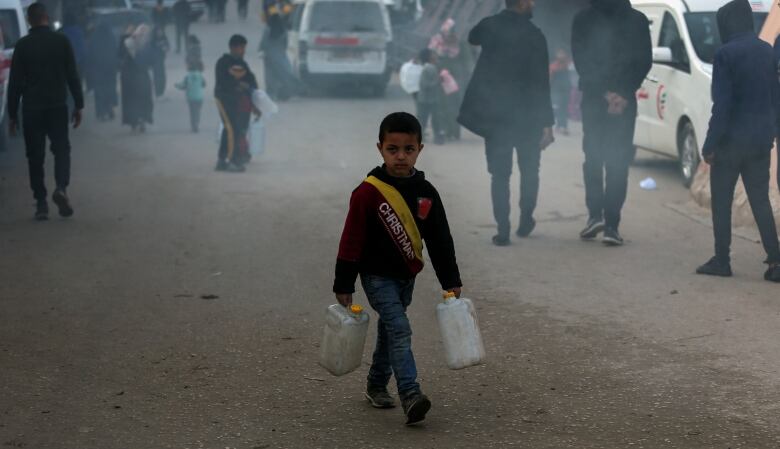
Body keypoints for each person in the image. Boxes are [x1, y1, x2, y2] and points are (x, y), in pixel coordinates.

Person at [332, 112, 463, 426]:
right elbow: (351, 239)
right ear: (380, 149)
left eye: (408, 149)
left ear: (420, 149)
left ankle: (377, 385)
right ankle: (410, 393)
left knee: (390, 331)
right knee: (400, 327)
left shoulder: (426, 192)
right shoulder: (367, 193)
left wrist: (451, 280)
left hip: (407, 277)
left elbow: (440, 240)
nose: (401, 156)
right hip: (376, 277)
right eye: (393, 149)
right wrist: (344, 282)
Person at [458, 0, 555, 246]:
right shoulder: (535, 36)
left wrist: (494, 18)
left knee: (499, 175)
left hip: (497, 116)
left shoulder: (490, 26)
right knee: (530, 171)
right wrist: (547, 123)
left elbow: (472, 37)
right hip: (529, 118)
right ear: (521, 4)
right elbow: (542, 82)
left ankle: (503, 230)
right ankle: (525, 220)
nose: (534, 4)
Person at [696, 0, 780, 282]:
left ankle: (722, 260)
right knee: (760, 201)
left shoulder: (725, 54)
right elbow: (774, 98)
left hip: (731, 143)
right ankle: (776, 261)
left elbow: (722, 105)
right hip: (759, 141)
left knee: (722, 201)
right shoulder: (767, 51)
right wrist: (771, 134)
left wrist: (709, 145)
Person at [571, 0, 652, 246]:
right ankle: (612, 226)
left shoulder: (583, 19)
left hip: (595, 101)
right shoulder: (637, 20)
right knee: (618, 161)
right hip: (624, 103)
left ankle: (595, 215)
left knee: (593, 157)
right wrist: (623, 92)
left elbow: (581, 61)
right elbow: (644, 60)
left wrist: (605, 93)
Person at [7, 2, 83, 220]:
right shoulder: (61, 41)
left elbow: (15, 84)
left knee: (35, 156)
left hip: (32, 109)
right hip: (58, 106)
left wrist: (12, 114)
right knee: (61, 150)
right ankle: (61, 188)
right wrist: (79, 104)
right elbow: (72, 75)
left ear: (29, 20)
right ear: (47, 18)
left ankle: (41, 203)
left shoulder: (23, 45)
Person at [214, 34, 259, 172]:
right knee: (231, 128)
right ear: (233, 48)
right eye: (241, 48)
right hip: (223, 99)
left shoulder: (243, 64)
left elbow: (252, 81)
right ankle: (232, 161)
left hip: (236, 101)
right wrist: (239, 85)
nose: (244, 51)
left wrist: (255, 101)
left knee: (232, 128)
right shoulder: (222, 62)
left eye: (244, 48)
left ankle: (222, 160)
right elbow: (222, 82)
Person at [428, 18, 473, 141]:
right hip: (440, 75)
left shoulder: (460, 42)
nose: (448, 35)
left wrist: (469, 76)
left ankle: (454, 132)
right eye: (447, 32)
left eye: (451, 32)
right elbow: (430, 59)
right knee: (441, 104)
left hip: (456, 77)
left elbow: (468, 62)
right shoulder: (436, 41)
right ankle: (442, 131)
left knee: (455, 104)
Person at [260, 0, 299, 101]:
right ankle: (281, 91)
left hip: (271, 54)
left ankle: (274, 92)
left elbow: (264, 42)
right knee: (282, 71)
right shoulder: (280, 28)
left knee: (272, 75)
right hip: (278, 53)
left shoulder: (270, 27)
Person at [119, 24, 154, 132]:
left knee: (143, 100)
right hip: (131, 77)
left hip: (141, 77)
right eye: (140, 33)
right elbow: (120, 54)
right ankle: (134, 121)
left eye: (144, 33)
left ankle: (141, 120)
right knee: (133, 100)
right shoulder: (127, 43)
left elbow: (151, 60)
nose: (142, 35)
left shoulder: (146, 45)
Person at [86, 23, 119, 121]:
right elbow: (115, 52)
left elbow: (90, 55)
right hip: (110, 69)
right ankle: (109, 108)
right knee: (110, 89)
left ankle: (101, 113)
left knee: (100, 91)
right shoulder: (111, 38)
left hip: (98, 70)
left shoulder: (94, 39)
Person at [417, 49, 444, 145]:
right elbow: (425, 85)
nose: (435, 56)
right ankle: (437, 137)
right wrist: (438, 81)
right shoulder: (428, 69)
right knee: (428, 118)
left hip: (429, 99)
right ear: (429, 57)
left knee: (428, 118)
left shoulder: (431, 67)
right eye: (433, 54)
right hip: (426, 99)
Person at [175, 60, 206, 132]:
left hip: (191, 97)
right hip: (199, 97)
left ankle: (193, 125)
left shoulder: (187, 76)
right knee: (197, 111)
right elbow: (204, 84)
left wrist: (177, 85)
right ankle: (197, 124)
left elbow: (183, 86)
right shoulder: (200, 75)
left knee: (192, 112)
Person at [549, 48, 572, 136]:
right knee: (558, 107)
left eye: (562, 53)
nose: (561, 55)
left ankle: (563, 126)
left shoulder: (568, 64)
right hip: (556, 89)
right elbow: (550, 77)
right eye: (559, 53)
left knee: (564, 107)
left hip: (566, 89)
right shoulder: (553, 65)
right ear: (556, 54)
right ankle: (559, 125)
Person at [151, 26, 170, 98]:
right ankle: (158, 93)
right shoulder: (152, 40)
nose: (160, 33)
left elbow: (168, 47)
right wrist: (158, 46)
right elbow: (150, 49)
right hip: (155, 61)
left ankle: (161, 92)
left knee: (163, 77)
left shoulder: (164, 39)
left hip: (161, 60)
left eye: (161, 31)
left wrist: (165, 48)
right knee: (157, 77)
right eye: (158, 31)